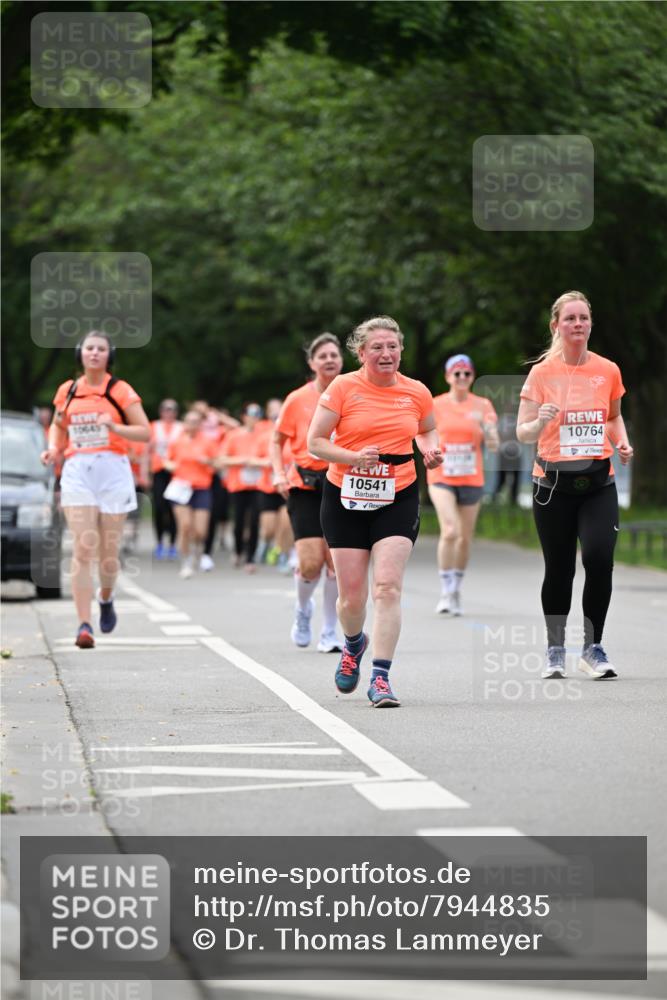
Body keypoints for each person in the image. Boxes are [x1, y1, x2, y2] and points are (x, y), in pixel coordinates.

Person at [308, 316, 442, 707]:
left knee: (387, 587)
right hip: (345, 496)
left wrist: (430, 449)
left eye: (392, 347)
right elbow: (315, 442)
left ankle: (381, 678)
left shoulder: (416, 391)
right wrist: (352, 457)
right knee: (352, 599)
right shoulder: (343, 387)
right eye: (377, 348)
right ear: (362, 353)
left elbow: (427, 429)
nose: (386, 354)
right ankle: (354, 644)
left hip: (398, 495)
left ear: (401, 350)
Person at [516, 290, 633, 680]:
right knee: (559, 568)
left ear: (591, 324)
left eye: (583, 317)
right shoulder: (542, 373)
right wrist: (541, 421)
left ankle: (592, 648)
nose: (578, 324)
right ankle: (555, 649)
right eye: (570, 318)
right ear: (556, 326)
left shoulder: (607, 370)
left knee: (599, 559)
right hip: (552, 485)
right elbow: (522, 432)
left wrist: (622, 442)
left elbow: (613, 417)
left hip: (598, 482)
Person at [41, 331, 150, 648]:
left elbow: (144, 432)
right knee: (83, 547)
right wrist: (54, 448)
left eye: (101, 349)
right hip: (78, 471)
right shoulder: (68, 391)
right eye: (89, 348)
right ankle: (83, 625)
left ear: (109, 355)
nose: (94, 353)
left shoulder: (120, 390)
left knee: (108, 554)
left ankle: (106, 596)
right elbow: (58, 425)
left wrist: (114, 426)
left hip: (113, 471)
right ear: (80, 353)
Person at [272, 333, 345, 652]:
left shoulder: (352, 392)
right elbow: (276, 440)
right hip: (304, 485)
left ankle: (329, 631)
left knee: (336, 562)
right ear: (312, 363)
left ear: (341, 360)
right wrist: (278, 473)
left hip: (341, 483)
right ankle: (303, 609)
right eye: (322, 356)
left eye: (334, 355)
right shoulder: (297, 399)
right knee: (311, 561)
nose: (329, 360)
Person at [427, 354, 499, 616]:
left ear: (472, 377)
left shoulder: (482, 405)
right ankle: (446, 590)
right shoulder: (435, 405)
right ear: (448, 377)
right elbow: (424, 436)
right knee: (450, 531)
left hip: (471, 477)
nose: (461, 377)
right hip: (442, 477)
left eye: (466, 373)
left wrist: (488, 431)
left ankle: (456, 587)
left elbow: (494, 444)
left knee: (465, 538)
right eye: (456, 373)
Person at [163, 408, 219, 579]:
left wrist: (208, 461)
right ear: (185, 423)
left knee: (200, 530)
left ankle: (196, 552)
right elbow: (167, 460)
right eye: (189, 421)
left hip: (201, 488)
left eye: (195, 422)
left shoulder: (208, 442)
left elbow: (218, 463)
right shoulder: (177, 441)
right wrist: (170, 466)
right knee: (185, 525)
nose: (192, 425)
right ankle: (185, 561)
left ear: (200, 424)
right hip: (181, 487)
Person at [219, 403, 266, 572]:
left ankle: (250, 557)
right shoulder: (233, 435)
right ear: (244, 417)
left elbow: (271, 457)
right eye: (251, 415)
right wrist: (242, 460)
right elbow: (222, 459)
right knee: (239, 521)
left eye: (257, 415)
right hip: (238, 485)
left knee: (254, 522)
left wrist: (257, 462)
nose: (253, 419)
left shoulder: (264, 436)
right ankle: (238, 550)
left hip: (258, 485)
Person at [147, 399, 182, 560]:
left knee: (174, 508)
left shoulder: (181, 428)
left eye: (172, 410)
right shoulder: (154, 426)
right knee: (159, 507)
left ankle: (173, 543)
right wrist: (145, 473)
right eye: (166, 410)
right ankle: (160, 541)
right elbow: (147, 450)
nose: (169, 413)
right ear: (161, 412)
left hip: (176, 472)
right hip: (159, 471)